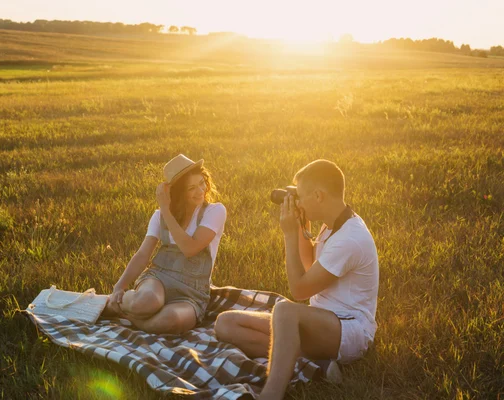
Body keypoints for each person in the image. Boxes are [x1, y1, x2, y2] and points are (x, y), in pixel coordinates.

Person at [214, 159, 379, 399]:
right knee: (226, 323)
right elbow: (310, 265)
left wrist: (289, 235)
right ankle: (317, 366)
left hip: (350, 330)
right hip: (323, 323)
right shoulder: (333, 224)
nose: (298, 201)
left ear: (319, 196)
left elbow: (299, 291)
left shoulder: (350, 238)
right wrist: (302, 226)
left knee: (285, 312)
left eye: (300, 196)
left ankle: (271, 394)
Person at [105, 154, 227, 334]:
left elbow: (190, 248)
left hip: (191, 292)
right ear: (178, 192)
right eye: (191, 188)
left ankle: (124, 314)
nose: (200, 191)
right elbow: (143, 254)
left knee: (171, 321)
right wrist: (119, 286)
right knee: (146, 302)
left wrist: (166, 211)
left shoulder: (215, 211)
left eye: (202, 183)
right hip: (158, 278)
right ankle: (116, 301)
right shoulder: (159, 215)